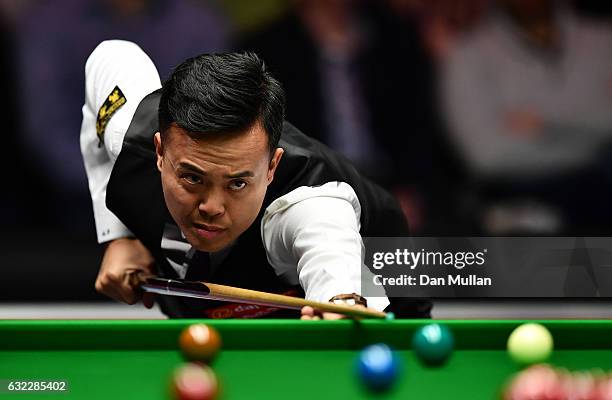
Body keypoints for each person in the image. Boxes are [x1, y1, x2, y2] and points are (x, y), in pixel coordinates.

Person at [81, 40, 431, 319]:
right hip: (206, 316)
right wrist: (119, 235)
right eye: (192, 178)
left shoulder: (309, 201)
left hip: (382, 292)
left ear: (271, 168)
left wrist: (342, 302)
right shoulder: (131, 138)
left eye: (237, 183)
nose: (211, 208)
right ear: (160, 152)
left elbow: (330, 247)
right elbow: (111, 55)